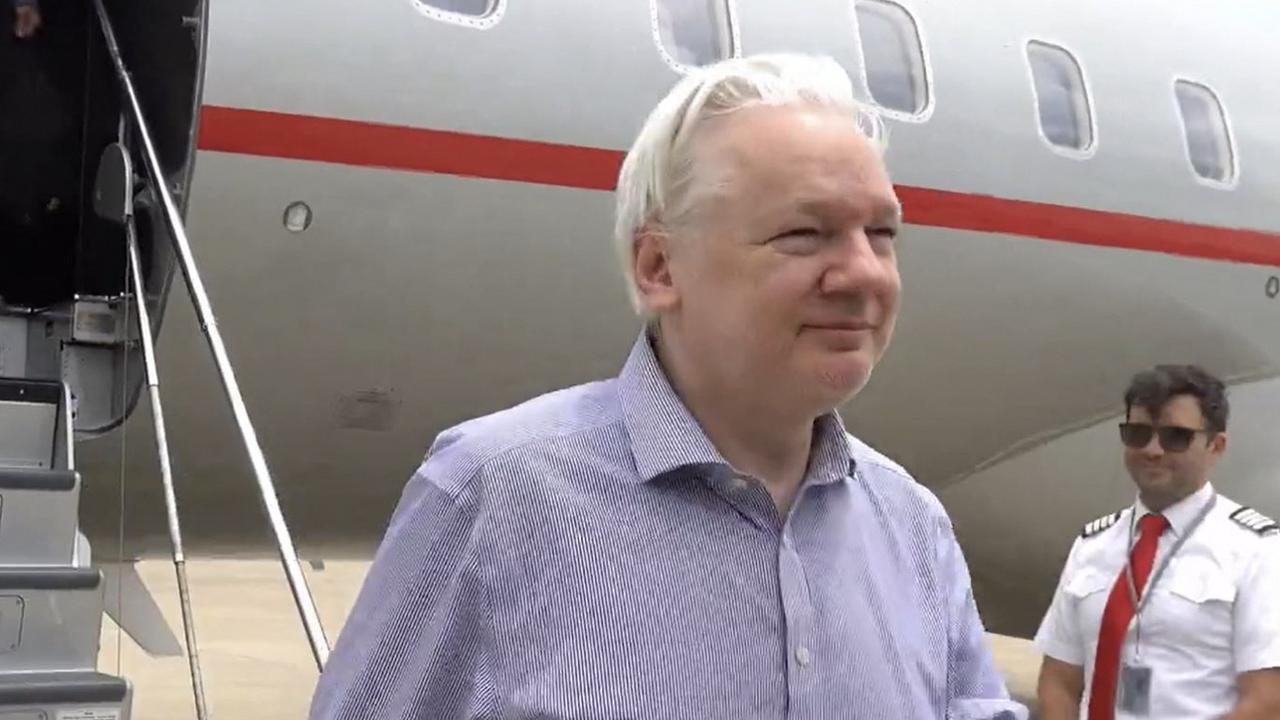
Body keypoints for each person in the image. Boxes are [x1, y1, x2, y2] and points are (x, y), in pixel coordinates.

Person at [309, 53, 1025, 720]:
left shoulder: (912, 528)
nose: (865, 273)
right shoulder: (492, 499)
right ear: (659, 267)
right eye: (804, 234)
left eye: (882, 233)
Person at [1034, 364, 1280, 719]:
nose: (1152, 450)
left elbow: (1268, 702)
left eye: (1175, 437)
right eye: (1137, 434)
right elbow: (1059, 679)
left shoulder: (1257, 551)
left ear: (1216, 446)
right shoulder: (1093, 545)